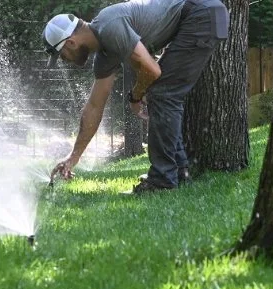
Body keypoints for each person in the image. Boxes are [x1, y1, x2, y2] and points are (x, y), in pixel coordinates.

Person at [44, 0, 228, 193]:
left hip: (200, 14)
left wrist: (136, 96)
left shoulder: (110, 27)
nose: (65, 61)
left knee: (162, 93)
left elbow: (152, 70)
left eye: (62, 55)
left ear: (71, 42)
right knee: (161, 93)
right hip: (201, 15)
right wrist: (73, 157)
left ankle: (162, 180)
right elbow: (94, 106)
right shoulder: (105, 53)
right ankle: (178, 172)